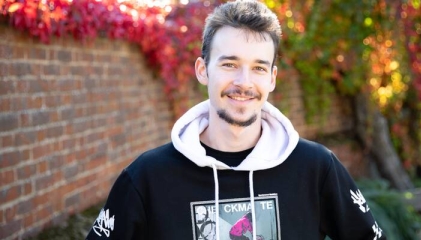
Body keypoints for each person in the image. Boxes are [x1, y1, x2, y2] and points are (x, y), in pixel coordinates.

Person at [86, 0, 386, 239]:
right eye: (230, 64)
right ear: (203, 70)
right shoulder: (146, 178)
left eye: (258, 68)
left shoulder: (317, 168)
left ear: (272, 78)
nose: (244, 82)